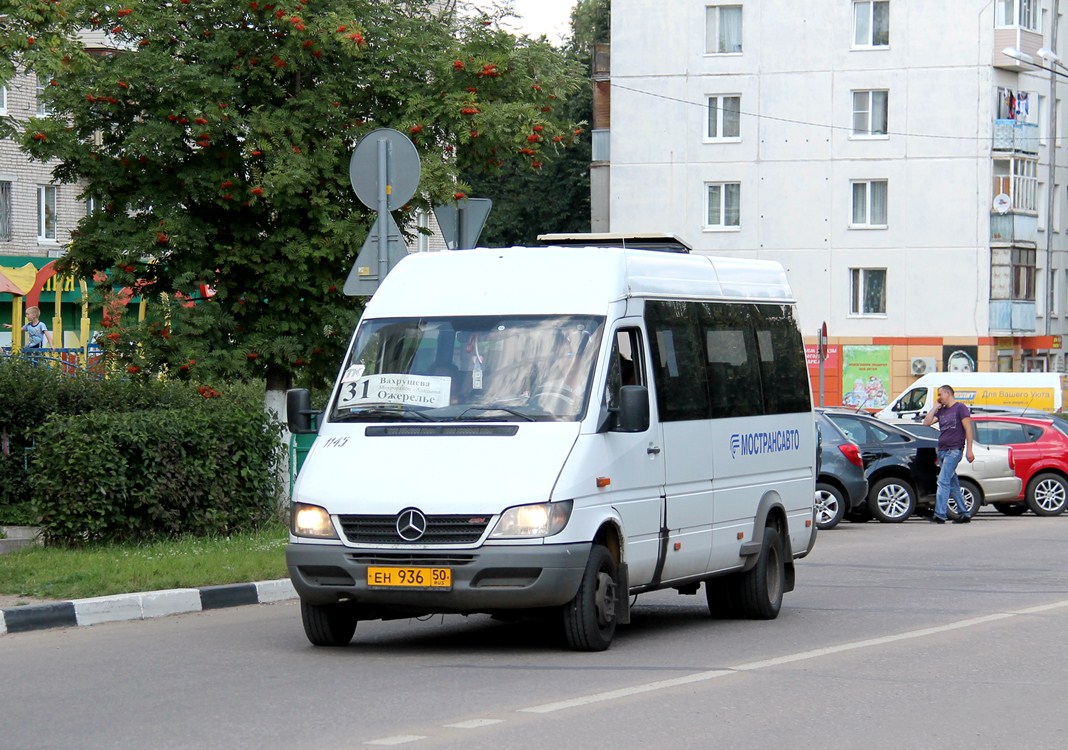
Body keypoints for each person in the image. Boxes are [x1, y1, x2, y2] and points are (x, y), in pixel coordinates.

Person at [922, 384, 975, 524]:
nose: (939, 398)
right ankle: (964, 514)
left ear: (948, 394)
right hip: (942, 450)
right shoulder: (942, 411)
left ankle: (939, 515)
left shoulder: (960, 408)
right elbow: (926, 423)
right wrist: (935, 407)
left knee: (943, 481)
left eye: (940, 395)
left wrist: (969, 450)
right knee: (953, 483)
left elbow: (968, 430)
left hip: (954, 450)